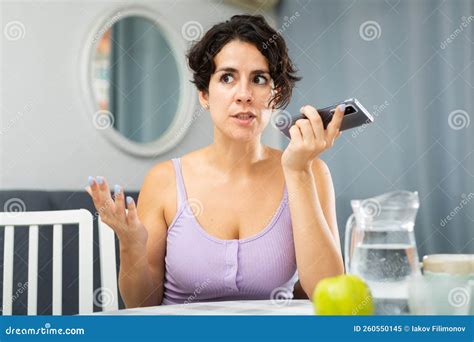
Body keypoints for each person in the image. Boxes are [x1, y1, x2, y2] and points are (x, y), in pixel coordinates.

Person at [86, 14, 344, 308]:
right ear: (205, 95)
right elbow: (141, 305)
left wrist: (298, 171)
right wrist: (131, 245)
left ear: (276, 95)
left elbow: (328, 293)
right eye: (227, 78)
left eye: (259, 79)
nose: (243, 95)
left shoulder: (310, 172)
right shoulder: (164, 180)